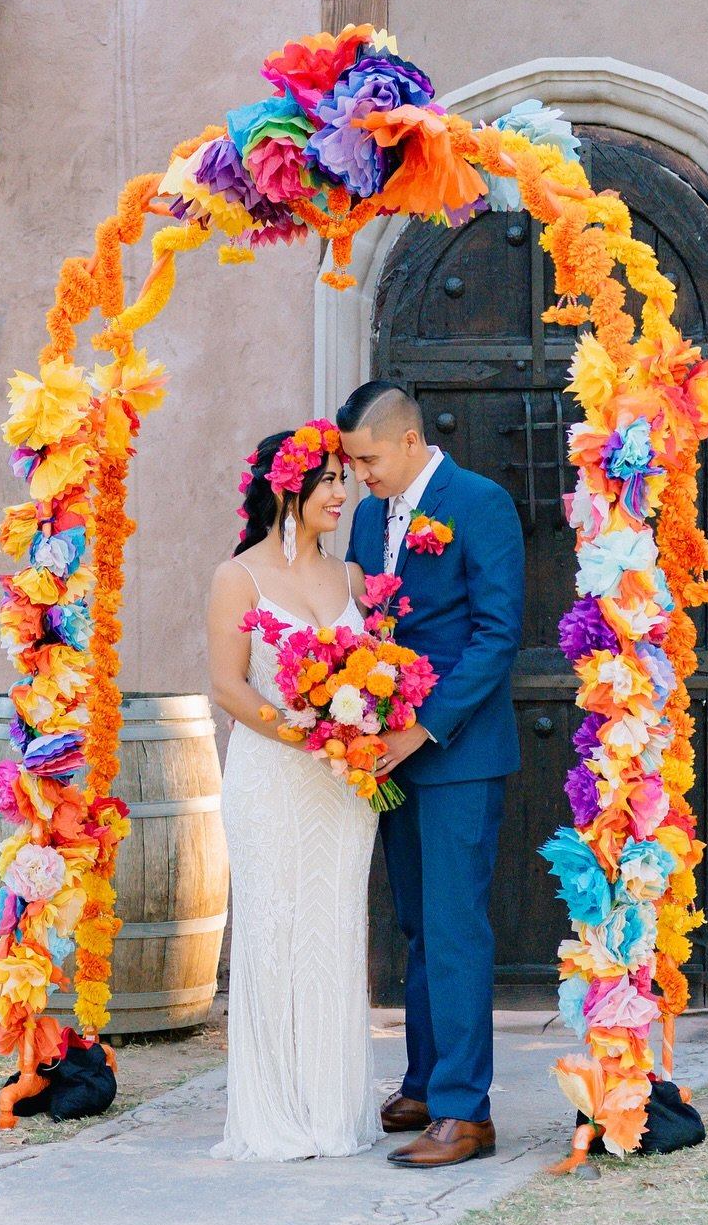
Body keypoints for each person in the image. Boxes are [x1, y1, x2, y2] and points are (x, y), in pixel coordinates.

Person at [338, 379, 524, 1169]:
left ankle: (465, 1112)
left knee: (453, 929)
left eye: (368, 460)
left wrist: (422, 728)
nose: (360, 477)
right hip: (389, 751)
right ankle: (422, 1080)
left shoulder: (480, 503)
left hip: (456, 754)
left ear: (409, 441)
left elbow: (497, 634)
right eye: (352, 464)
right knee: (415, 925)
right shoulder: (371, 514)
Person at [206, 423, 381, 1162]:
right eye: (330, 481)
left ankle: (332, 1109)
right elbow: (227, 686)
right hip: (271, 775)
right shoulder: (236, 578)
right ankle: (273, 1111)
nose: (343, 494)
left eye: (346, 479)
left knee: (333, 929)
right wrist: (302, 734)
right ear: (289, 489)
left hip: (343, 787)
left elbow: (378, 669)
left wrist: (358, 727)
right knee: (274, 929)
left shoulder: (350, 579)